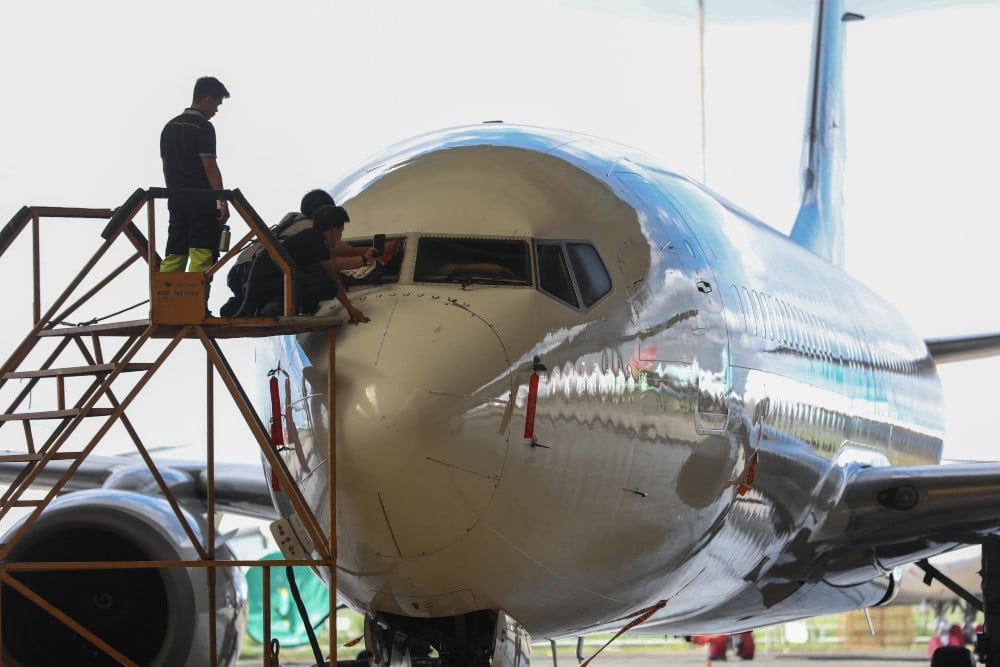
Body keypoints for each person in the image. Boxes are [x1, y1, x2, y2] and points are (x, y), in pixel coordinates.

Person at [234, 205, 370, 323]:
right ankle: (276, 306)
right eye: (341, 231)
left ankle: (275, 304)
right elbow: (332, 270)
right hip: (265, 286)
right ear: (334, 230)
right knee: (326, 286)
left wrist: (350, 309)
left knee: (318, 278)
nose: (340, 236)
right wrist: (363, 260)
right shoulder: (317, 238)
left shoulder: (308, 236)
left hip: (258, 285)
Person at [159, 76, 231, 273]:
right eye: (217, 104)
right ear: (208, 99)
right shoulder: (203, 127)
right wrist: (222, 201)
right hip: (201, 201)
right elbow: (210, 166)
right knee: (201, 252)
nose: (216, 110)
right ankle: (195, 302)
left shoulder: (169, 127)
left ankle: (167, 299)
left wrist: (173, 192)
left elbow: (166, 167)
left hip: (176, 199)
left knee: (175, 251)